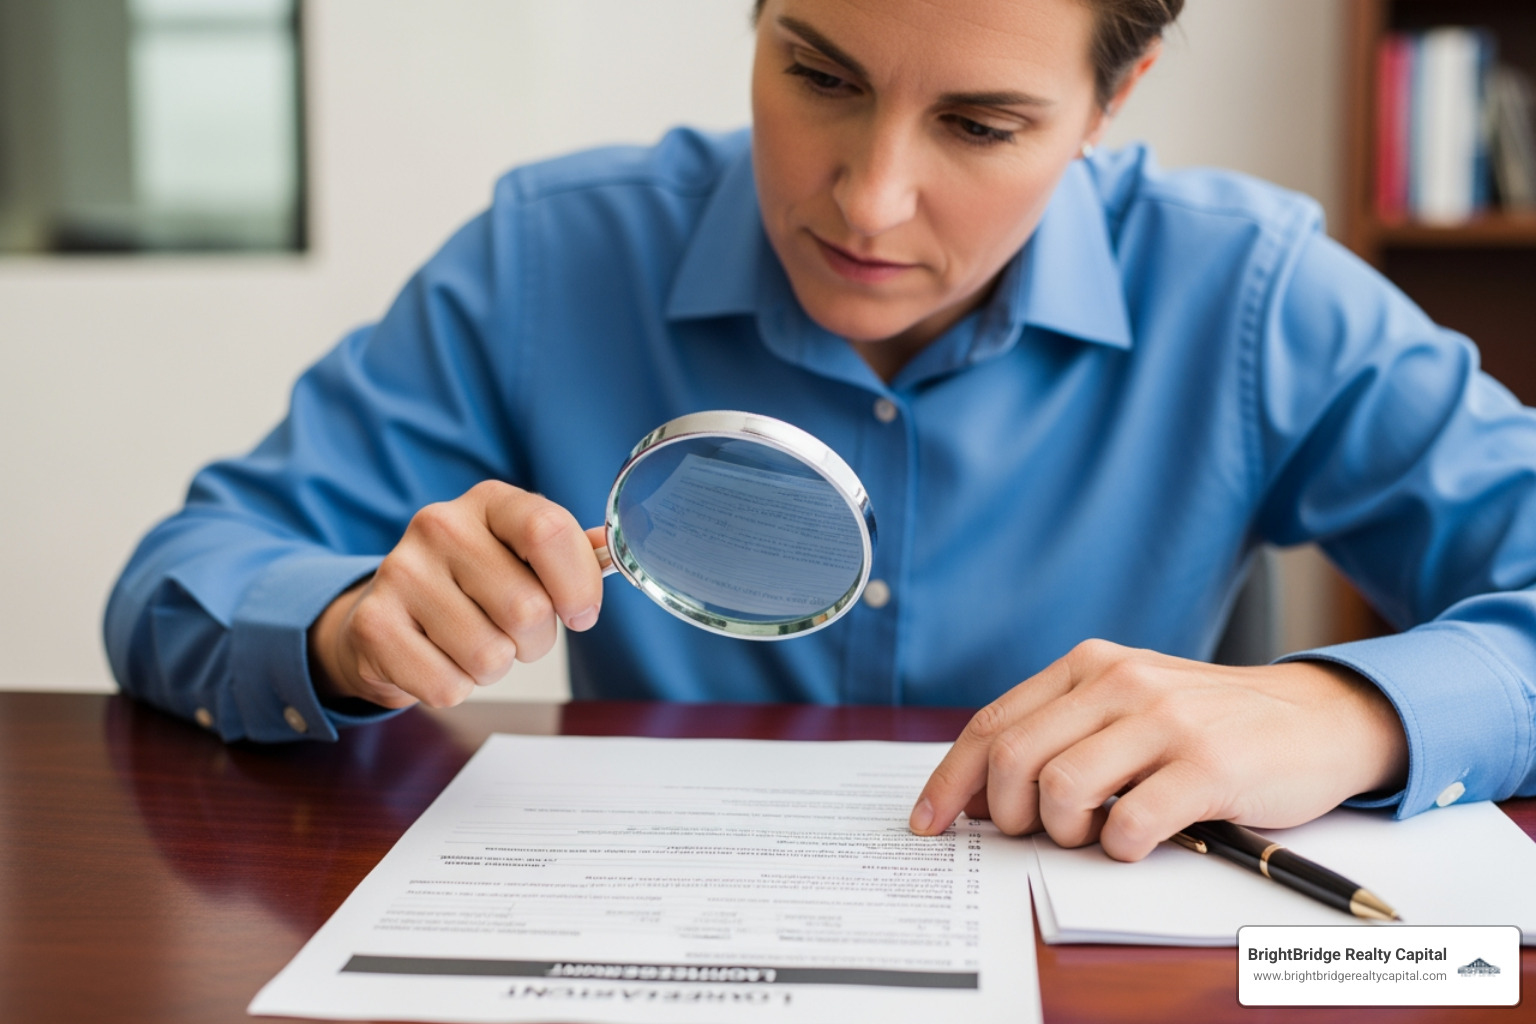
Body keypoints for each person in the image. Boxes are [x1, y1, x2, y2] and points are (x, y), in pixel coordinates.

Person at [106, 0, 1536, 863]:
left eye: (979, 126)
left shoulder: (1252, 295)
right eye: (821, 74)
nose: (867, 201)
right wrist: (349, 626)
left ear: (1115, 98)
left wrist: (1346, 711)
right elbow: (185, 574)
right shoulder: (550, 258)